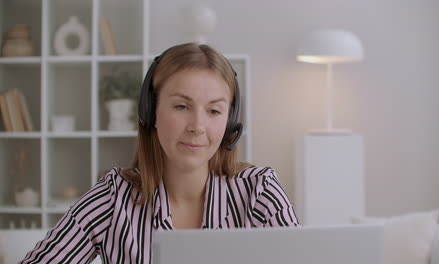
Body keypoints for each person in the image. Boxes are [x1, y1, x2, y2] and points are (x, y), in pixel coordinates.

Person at [20, 42, 299, 263]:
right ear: (151, 111)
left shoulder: (259, 191)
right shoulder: (113, 199)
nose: (197, 127)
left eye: (214, 111)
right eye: (181, 106)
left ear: (230, 122)